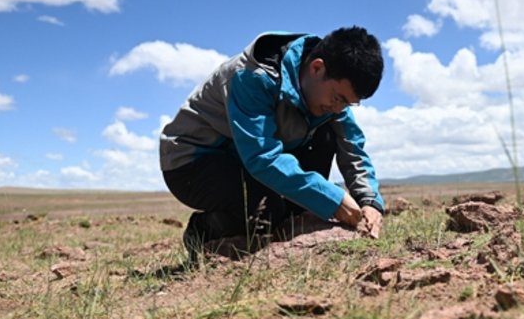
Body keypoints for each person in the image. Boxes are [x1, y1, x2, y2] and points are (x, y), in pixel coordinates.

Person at [160, 26, 386, 260]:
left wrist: (369, 201)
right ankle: (203, 231)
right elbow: (262, 157)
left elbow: (353, 147)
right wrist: (332, 198)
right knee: (266, 209)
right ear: (317, 68)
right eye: (338, 98)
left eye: (348, 104)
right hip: (192, 162)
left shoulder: (329, 93)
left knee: (326, 136)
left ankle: (292, 222)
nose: (339, 109)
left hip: (243, 159)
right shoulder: (252, 77)